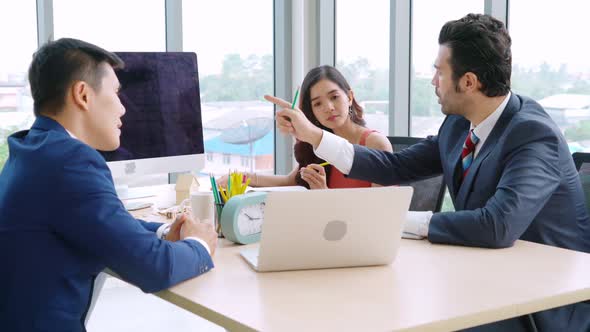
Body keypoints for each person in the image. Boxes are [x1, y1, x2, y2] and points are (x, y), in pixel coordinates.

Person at [267, 14, 590, 332]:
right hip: (486, 278)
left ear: (468, 81)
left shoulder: (533, 134)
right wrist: (314, 136)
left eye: (439, 72)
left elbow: (497, 225)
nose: (433, 81)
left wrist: (390, 221)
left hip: (543, 305)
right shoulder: (459, 123)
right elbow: (396, 166)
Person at [0, 38, 218, 331]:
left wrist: (166, 230)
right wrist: (201, 243)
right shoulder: (71, 160)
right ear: (83, 94)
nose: (123, 109)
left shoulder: (33, 148)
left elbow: (105, 222)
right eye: (116, 92)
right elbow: (154, 269)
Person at [220, 65, 392, 190]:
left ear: (349, 97)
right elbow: (289, 181)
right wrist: (241, 178)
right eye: (317, 104)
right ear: (312, 112)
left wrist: (324, 194)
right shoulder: (322, 146)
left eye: (334, 97)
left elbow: (381, 214)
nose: (328, 107)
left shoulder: (376, 145)